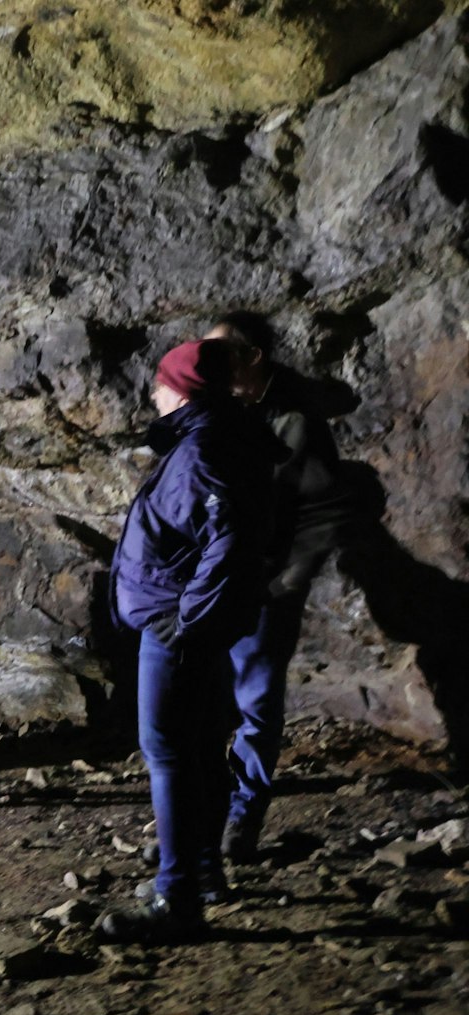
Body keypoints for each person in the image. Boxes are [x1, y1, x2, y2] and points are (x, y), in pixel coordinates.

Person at [99, 339, 277, 944]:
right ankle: (204, 872)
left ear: (182, 388)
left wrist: (187, 618)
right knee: (198, 747)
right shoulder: (218, 438)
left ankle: (175, 899)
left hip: (178, 627)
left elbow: (229, 539)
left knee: (167, 750)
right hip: (190, 621)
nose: (153, 393)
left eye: (160, 382)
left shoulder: (202, 448)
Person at [204, 314, 351, 861]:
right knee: (206, 700)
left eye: (220, 353)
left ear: (253, 357)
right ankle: (199, 820)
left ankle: (242, 817)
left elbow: (324, 505)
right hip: (215, 581)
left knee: (255, 703)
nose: (207, 362)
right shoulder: (221, 407)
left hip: (262, 588)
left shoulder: (296, 421)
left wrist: (286, 582)